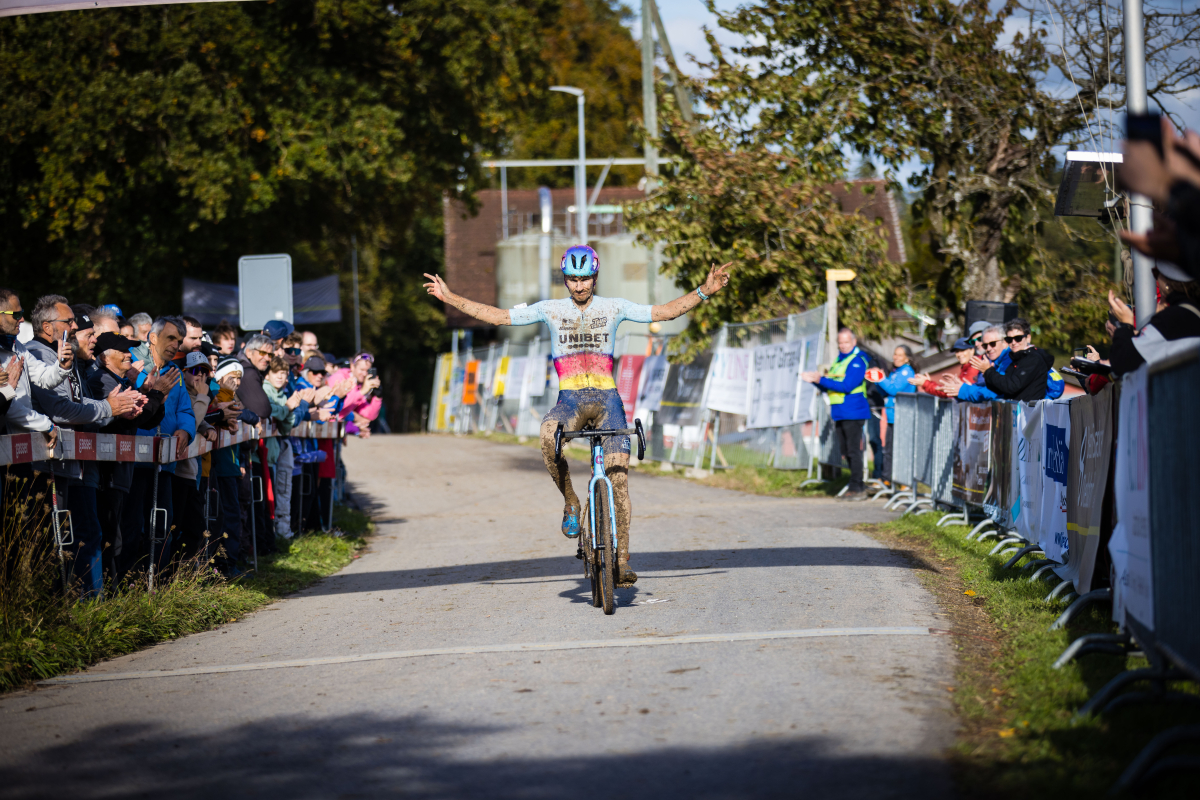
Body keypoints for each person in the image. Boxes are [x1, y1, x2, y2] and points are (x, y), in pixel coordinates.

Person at [424, 246, 733, 584]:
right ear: (565, 279)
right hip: (569, 400)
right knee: (546, 436)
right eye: (573, 279)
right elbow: (498, 317)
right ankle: (571, 500)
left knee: (619, 483)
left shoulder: (614, 307)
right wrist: (450, 298)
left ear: (595, 277)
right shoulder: (549, 310)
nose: (580, 286)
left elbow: (664, 312)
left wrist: (705, 291)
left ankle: (622, 560)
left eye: (585, 278)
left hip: (608, 402)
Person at [88, 332, 169, 581]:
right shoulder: (102, 380)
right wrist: (156, 394)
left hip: (121, 470)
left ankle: (118, 589)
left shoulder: (119, 381)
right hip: (107, 473)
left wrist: (155, 395)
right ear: (105, 356)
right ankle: (108, 592)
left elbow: (147, 419)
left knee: (121, 533)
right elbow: (138, 416)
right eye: (122, 350)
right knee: (110, 535)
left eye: (129, 349)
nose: (128, 354)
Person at [121, 318, 196, 577]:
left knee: (163, 522)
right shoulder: (130, 362)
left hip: (165, 461)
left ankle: (159, 583)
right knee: (134, 525)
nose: (176, 345)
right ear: (152, 338)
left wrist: (186, 430)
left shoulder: (174, 371)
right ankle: (131, 582)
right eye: (170, 338)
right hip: (136, 459)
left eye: (179, 340)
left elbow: (185, 409)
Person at [801, 328, 871, 500]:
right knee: (846, 451)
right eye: (840, 342)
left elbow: (846, 386)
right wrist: (815, 381)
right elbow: (830, 385)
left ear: (854, 342)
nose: (843, 345)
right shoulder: (839, 361)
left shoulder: (857, 361)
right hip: (839, 411)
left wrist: (821, 380)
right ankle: (855, 485)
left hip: (853, 412)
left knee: (854, 451)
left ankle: (857, 488)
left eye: (846, 342)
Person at [1106, 264, 1200, 373]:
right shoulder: (1189, 313)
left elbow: (1121, 363)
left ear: (1168, 284)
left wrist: (1124, 325)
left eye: (1156, 274)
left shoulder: (1171, 319)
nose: (1155, 279)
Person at [866, 344, 918, 484]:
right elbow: (885, 391)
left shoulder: (907, 372)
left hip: (903, 417)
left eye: (900, 355)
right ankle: (887, 480)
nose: (896, 357)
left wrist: (881, 378)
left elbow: (894, 390)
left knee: (901, 451)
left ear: (907, 358)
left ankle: (904, 482)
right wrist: (877, 380)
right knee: (888, 450)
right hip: (892, 417)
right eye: (895, 354)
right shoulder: (896, 372)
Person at [971, 318, 1052, 402]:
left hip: (1030, 413)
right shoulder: (1016, 359)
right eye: (1009, 339)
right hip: (1018, 412)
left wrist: (988, 371)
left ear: (1028, 338)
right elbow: (1001, 389)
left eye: (1018, 338)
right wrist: (987, 373)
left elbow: (1012, 386)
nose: (1013, 342)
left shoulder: (1033, 359)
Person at [329, 353, 382, 437]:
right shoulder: (339, 378)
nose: (364, 374)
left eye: (367, 370)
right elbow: (336, 405)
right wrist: (362, 392)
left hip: (337, 431)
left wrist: (377, 397)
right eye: (361, 369)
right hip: (327, 429)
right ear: (352, 366)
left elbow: (369, 416)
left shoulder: (358, 386)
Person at [910, 337, 978, 398]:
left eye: (963, 350)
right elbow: (953, 390)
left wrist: (926, 383)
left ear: (972, 350)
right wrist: (927, 383)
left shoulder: (974, 368)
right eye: (957, 351)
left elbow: (954, 391)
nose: (959, 354)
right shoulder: (965, 368)